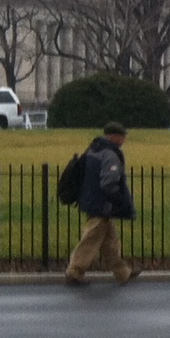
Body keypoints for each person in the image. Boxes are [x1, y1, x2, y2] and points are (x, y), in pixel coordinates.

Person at [65, 122, 139, 286]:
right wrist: (119, 201)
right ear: (113, 136)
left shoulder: (93, 149)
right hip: (102, 205)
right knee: (91, 239)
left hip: (91, 199)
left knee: (110, 242)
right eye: (122, 136)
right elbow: (108, 183)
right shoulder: (110, 154)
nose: (124, 138)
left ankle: (122, 272)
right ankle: (74, 272)